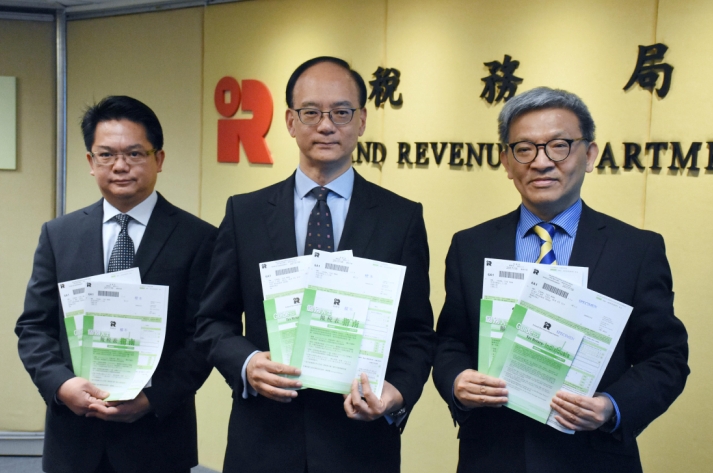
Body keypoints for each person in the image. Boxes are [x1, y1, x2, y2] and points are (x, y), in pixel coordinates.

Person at [194, 56, 435, 473]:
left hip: (359, 445)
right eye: (311, 113)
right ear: (290, 121)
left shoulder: (401, 218)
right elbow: (213, 321)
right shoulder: (244, 213)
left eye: (341, 112)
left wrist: (395, 393)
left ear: (361, 121)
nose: (326, 125)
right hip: (263, 442)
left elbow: (416, 332)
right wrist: (248, 365)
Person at [432, 87, 689, 473]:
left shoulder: (636, 250)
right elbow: (450, 341)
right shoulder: (470, 245)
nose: (541, 162)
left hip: (593, 456)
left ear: (590, 155)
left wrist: (611, 407)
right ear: (506, 161)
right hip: (491, 454)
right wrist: (457, 381)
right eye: (524, 149)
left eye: (559, 146)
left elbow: (667, 357)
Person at [16, 96, 216, 473]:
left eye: (135, 154)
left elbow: (204, 337)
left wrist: (153, 399)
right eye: (106, 155)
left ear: (159, 159)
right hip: (73, 440)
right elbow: (33, 328)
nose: (120, 166)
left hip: (157, 439)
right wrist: (62, 386)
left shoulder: (199, 239)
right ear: (91, 162)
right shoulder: (59, 236)